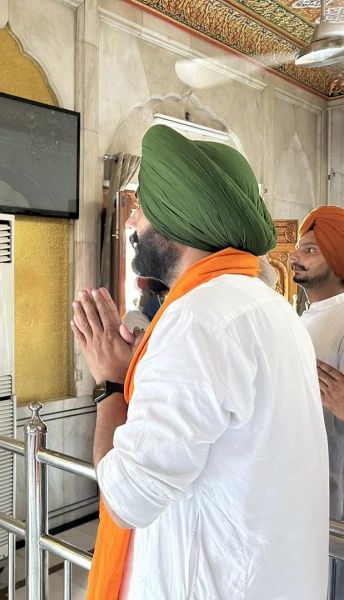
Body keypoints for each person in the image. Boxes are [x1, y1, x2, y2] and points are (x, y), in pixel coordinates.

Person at [72, 124, 328, 599]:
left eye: (143, 208)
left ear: (177, 217)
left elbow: (127, 497)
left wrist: (111, 384)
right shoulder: (267, 304)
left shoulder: (199, 320)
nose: (131, 223)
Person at [290, 205, 344, 599]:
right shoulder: (302, 318)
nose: (294, 256)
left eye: (310, 250)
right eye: (298, 249)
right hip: (307, 495)